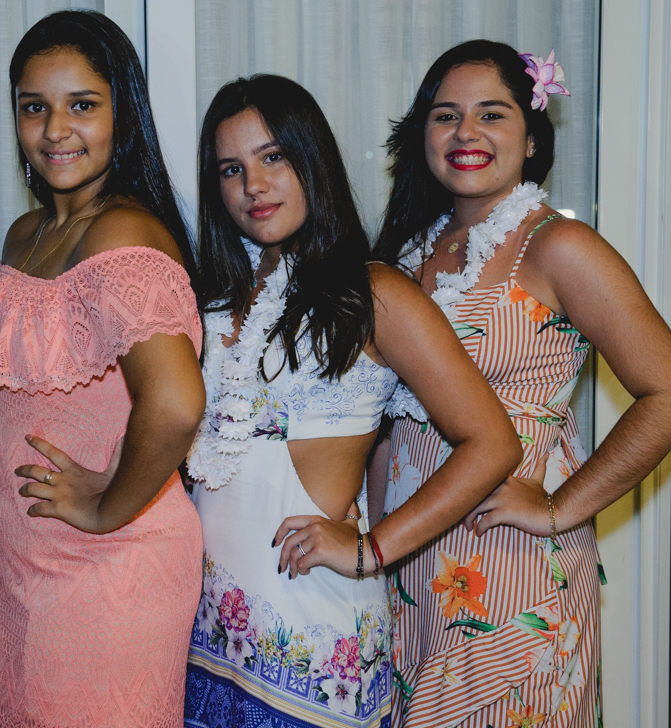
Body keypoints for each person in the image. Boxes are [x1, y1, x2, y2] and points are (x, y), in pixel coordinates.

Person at [371, 40, 671, 727]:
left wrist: (558, 508)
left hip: (510, 560)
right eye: (445, 116)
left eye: (491, 114)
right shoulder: (407, 252)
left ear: (531, 138)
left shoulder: (558, 247)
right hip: (413, 562)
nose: (466, 132)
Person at [183, 75, 521, 728]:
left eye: (274, 156)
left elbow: (492, 443)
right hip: (207, 641)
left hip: (314, 647)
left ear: (313, 159)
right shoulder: (213, 299)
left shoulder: (375, 294)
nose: (254, 185)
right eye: (231, 168)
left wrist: (373, 550)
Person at [0, 10, 207, 727]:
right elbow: (6, 413)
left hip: (109, 571)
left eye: (82, 105)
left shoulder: (120, 234)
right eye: (35, 108)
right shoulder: (27, 235)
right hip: (19, 568)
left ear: (123, 114)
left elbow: (177, 404)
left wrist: (103, 507)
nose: (56, 130)